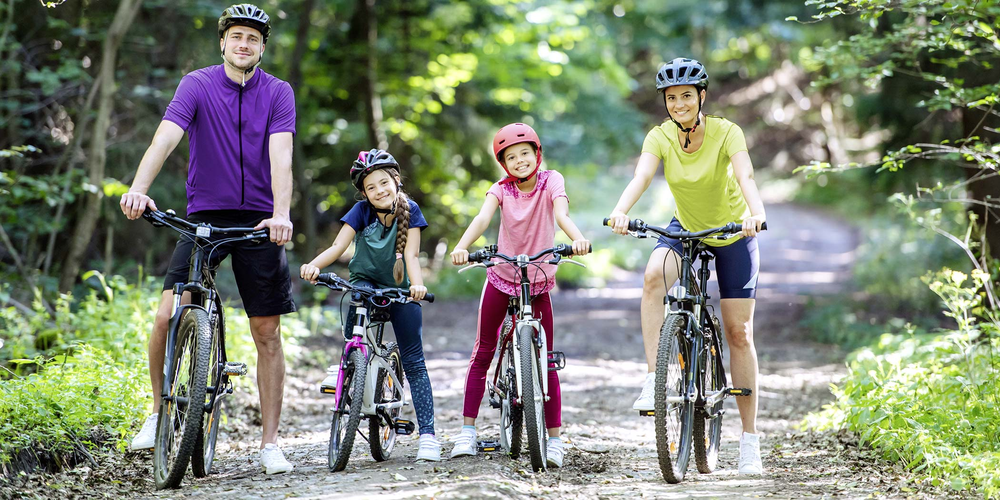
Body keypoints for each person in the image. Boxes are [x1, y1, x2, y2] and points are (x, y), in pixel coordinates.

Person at [119, 3, 296, 475]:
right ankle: (158, 415)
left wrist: (281, 214)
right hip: (206, 216)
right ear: (223, 42)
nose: (245, 44)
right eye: (237, 36)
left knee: (267, 333)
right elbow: (165, 137)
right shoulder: (196, 84)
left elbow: (282, 158)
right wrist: (139, 189)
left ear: (262, 47)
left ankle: (270, 444)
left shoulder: (278, 92)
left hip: (260, 220)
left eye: (254, 39)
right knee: (166, 314)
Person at [606, 57, 766, 475]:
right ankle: (655, 379)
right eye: (671, 97)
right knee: (652, 277)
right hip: (687, 228)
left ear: (701, 97)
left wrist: (756, 211)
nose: (678, 104)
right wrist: (620, 211)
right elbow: (641, 176)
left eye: (686, 96)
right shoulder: (659, 136)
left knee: (738, 332)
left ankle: (749, 440)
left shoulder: (727, 131)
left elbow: (745, 174)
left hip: (733, 231)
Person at [449, 122, 590, 468]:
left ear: (537, 154)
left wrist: (578, 238)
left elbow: (561, 213)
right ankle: (467, 431)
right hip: (501, 274)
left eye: (525, 153)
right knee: (483, 350)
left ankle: (554, 440)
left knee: (548, 361)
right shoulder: (499, 189)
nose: (520, 161)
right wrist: (462, 246)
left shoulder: (551, 180)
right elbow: (483, 218)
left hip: (538, 276)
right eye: (511, 157)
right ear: (504, 164)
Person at [300, 149, 442, 462]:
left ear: (396, 180)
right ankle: (348, 365)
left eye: (383, 183)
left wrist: (417, 286)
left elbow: (411, 256)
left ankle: (429, 436)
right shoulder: (361, 211)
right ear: (364, 193)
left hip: (401, 290)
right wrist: (313, 265)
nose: (379, 191)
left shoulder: (411, 210)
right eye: (371, 187)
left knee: (414, 362)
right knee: (356, 301)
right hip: (366, 282)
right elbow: (339, 247)